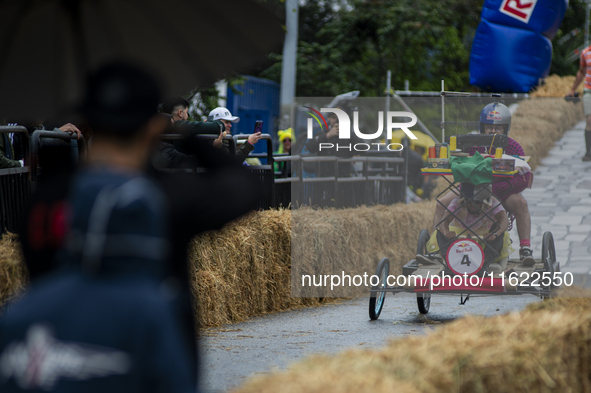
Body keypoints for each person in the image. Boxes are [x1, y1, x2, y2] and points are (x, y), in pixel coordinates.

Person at [6, 63, 261, 391]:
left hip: (63, 361)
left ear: (85, 120)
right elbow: (245, 188)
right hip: (152, 362)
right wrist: (188, 135)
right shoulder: (161, 196)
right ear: (152, 128)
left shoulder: (45, 201)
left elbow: (36, 271)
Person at [432, 102, 535, 266]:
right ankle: (435, 248)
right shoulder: (473, 145)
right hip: (471, 187)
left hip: (502, 190)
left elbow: (524, 177)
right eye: (489, 128)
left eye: (498, 128)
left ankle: (525, 249)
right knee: (442, 202)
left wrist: (496, 189)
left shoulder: (514, 146)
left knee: (521, 203)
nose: (493, 131)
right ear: (482, 128)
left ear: (505, 129)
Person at [420, 183, 511, 273]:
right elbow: (444, 221)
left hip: (484, 241)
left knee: (499, 230)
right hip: (460, 241)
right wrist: (446, 232)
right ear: (464, 199)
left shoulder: (493, 202)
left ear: (484, 201)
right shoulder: (457, 202)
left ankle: (484, 264)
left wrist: (495, 234)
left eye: (477, 202)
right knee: (440, 231)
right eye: (470, 201)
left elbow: (504, 220)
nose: (473, 204)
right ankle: (450, 263)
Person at [567, 46, 591, 161]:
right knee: (590, 120)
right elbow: (581, 72)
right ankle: (589, 152)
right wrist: (573, 89)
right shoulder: (585, 53)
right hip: (589, 90)